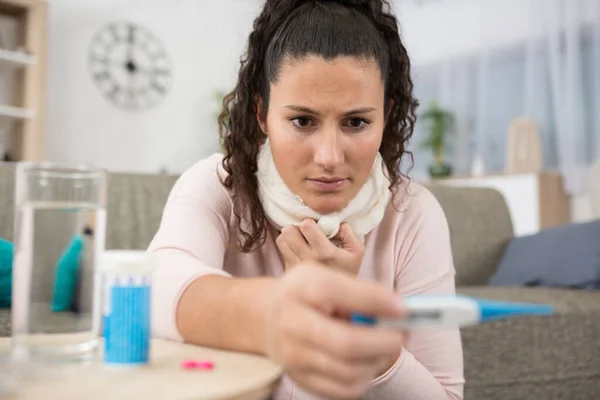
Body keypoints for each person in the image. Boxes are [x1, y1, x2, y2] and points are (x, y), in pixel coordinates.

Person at [148, 0, 464, 398]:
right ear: (262, 115)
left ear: (385, 117)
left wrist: (356, 327)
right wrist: (276, 313)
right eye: (302, 121)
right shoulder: (220, 188)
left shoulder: (413, 214)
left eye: (356, 122)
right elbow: (151, 285)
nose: (329, 157)